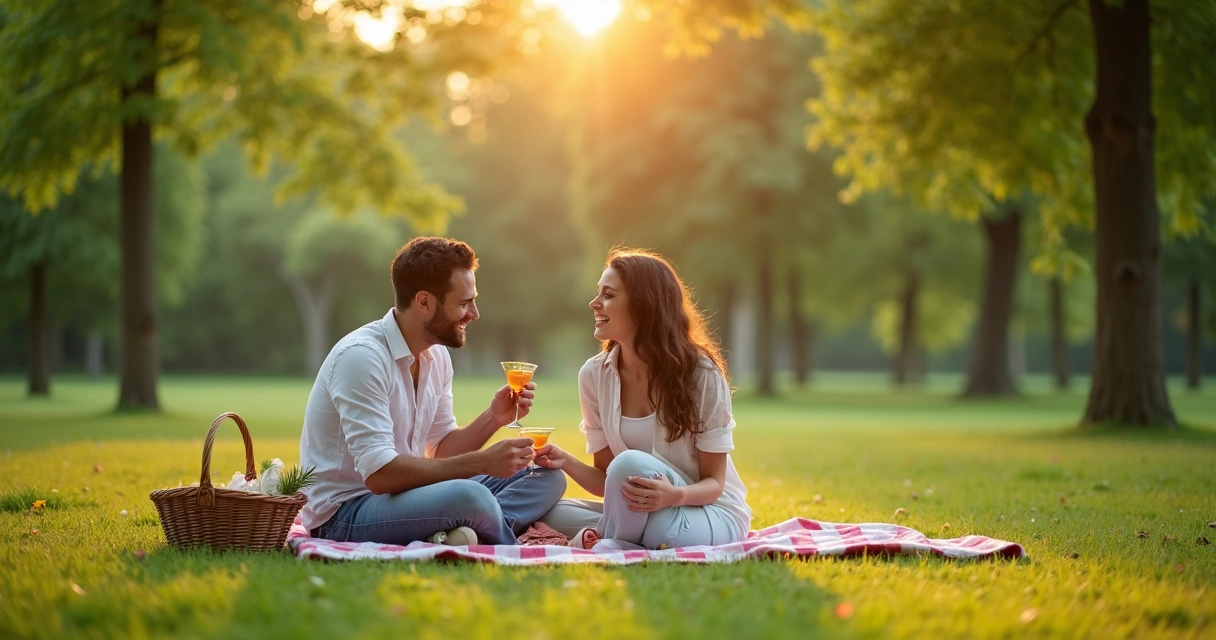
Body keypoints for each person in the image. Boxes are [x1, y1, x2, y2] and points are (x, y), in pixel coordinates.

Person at [299, 237, 566, 547]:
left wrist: (493, 418)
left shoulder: (436, 355)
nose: (474, 313)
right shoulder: (361, 357)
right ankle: (506, 543)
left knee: (544, 477)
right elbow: (380, 475)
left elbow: (439, 451)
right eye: (464, 303)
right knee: (470, 496)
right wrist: (481, 463)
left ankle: (471, 534)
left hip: (406, 497)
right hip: (347, 513)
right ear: (424, 302)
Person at [534, 248, 751, 550]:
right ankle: (621, 540)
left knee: (654, 516)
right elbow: (608, 482)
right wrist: (564, 459)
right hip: (638, 510)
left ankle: (608, 542)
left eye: (608, 295)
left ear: (643, 306)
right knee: (546, 512)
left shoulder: (701, 373)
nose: (594, 304)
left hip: (707, 509)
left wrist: (674, 496)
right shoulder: (594, 375)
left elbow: (714, 484)